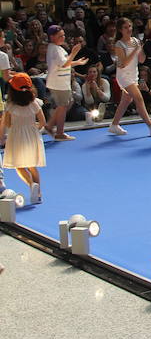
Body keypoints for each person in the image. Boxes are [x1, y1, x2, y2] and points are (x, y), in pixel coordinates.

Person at [107, 19, 151, 137]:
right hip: (124, 76)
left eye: (130, 26)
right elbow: (123, 63)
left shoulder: (135, 40)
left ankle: (114, 125)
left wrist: (140, 49)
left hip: (134, 74)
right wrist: (135, 50)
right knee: (138, 98)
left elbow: (142, 60)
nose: (129, 29)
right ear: (120, 30)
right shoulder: (119, 44)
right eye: (125, 27)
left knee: (126, 100)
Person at [0, 74, 46, 205]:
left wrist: (2, 137)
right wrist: (33, 129)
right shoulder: (35, 103)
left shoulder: (10, 106)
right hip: (32, 135)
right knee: (32, 165)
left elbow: (6, 124)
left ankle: (31, 185)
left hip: (17, 136)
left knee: (19, 166)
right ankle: (38, 194)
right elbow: (42, 122)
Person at [45, 26, 88, 141]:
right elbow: (64, 64)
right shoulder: (54, 48)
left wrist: (77, 62)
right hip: (58, 82)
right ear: (52, 37)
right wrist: (74, 53)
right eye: (60, 36)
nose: (63, 37)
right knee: (63, 105)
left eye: (63, 35)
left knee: (66, 104)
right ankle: (59, 131)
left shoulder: (57, 48)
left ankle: (51, 126)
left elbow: (65, 62)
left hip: (61, 81)